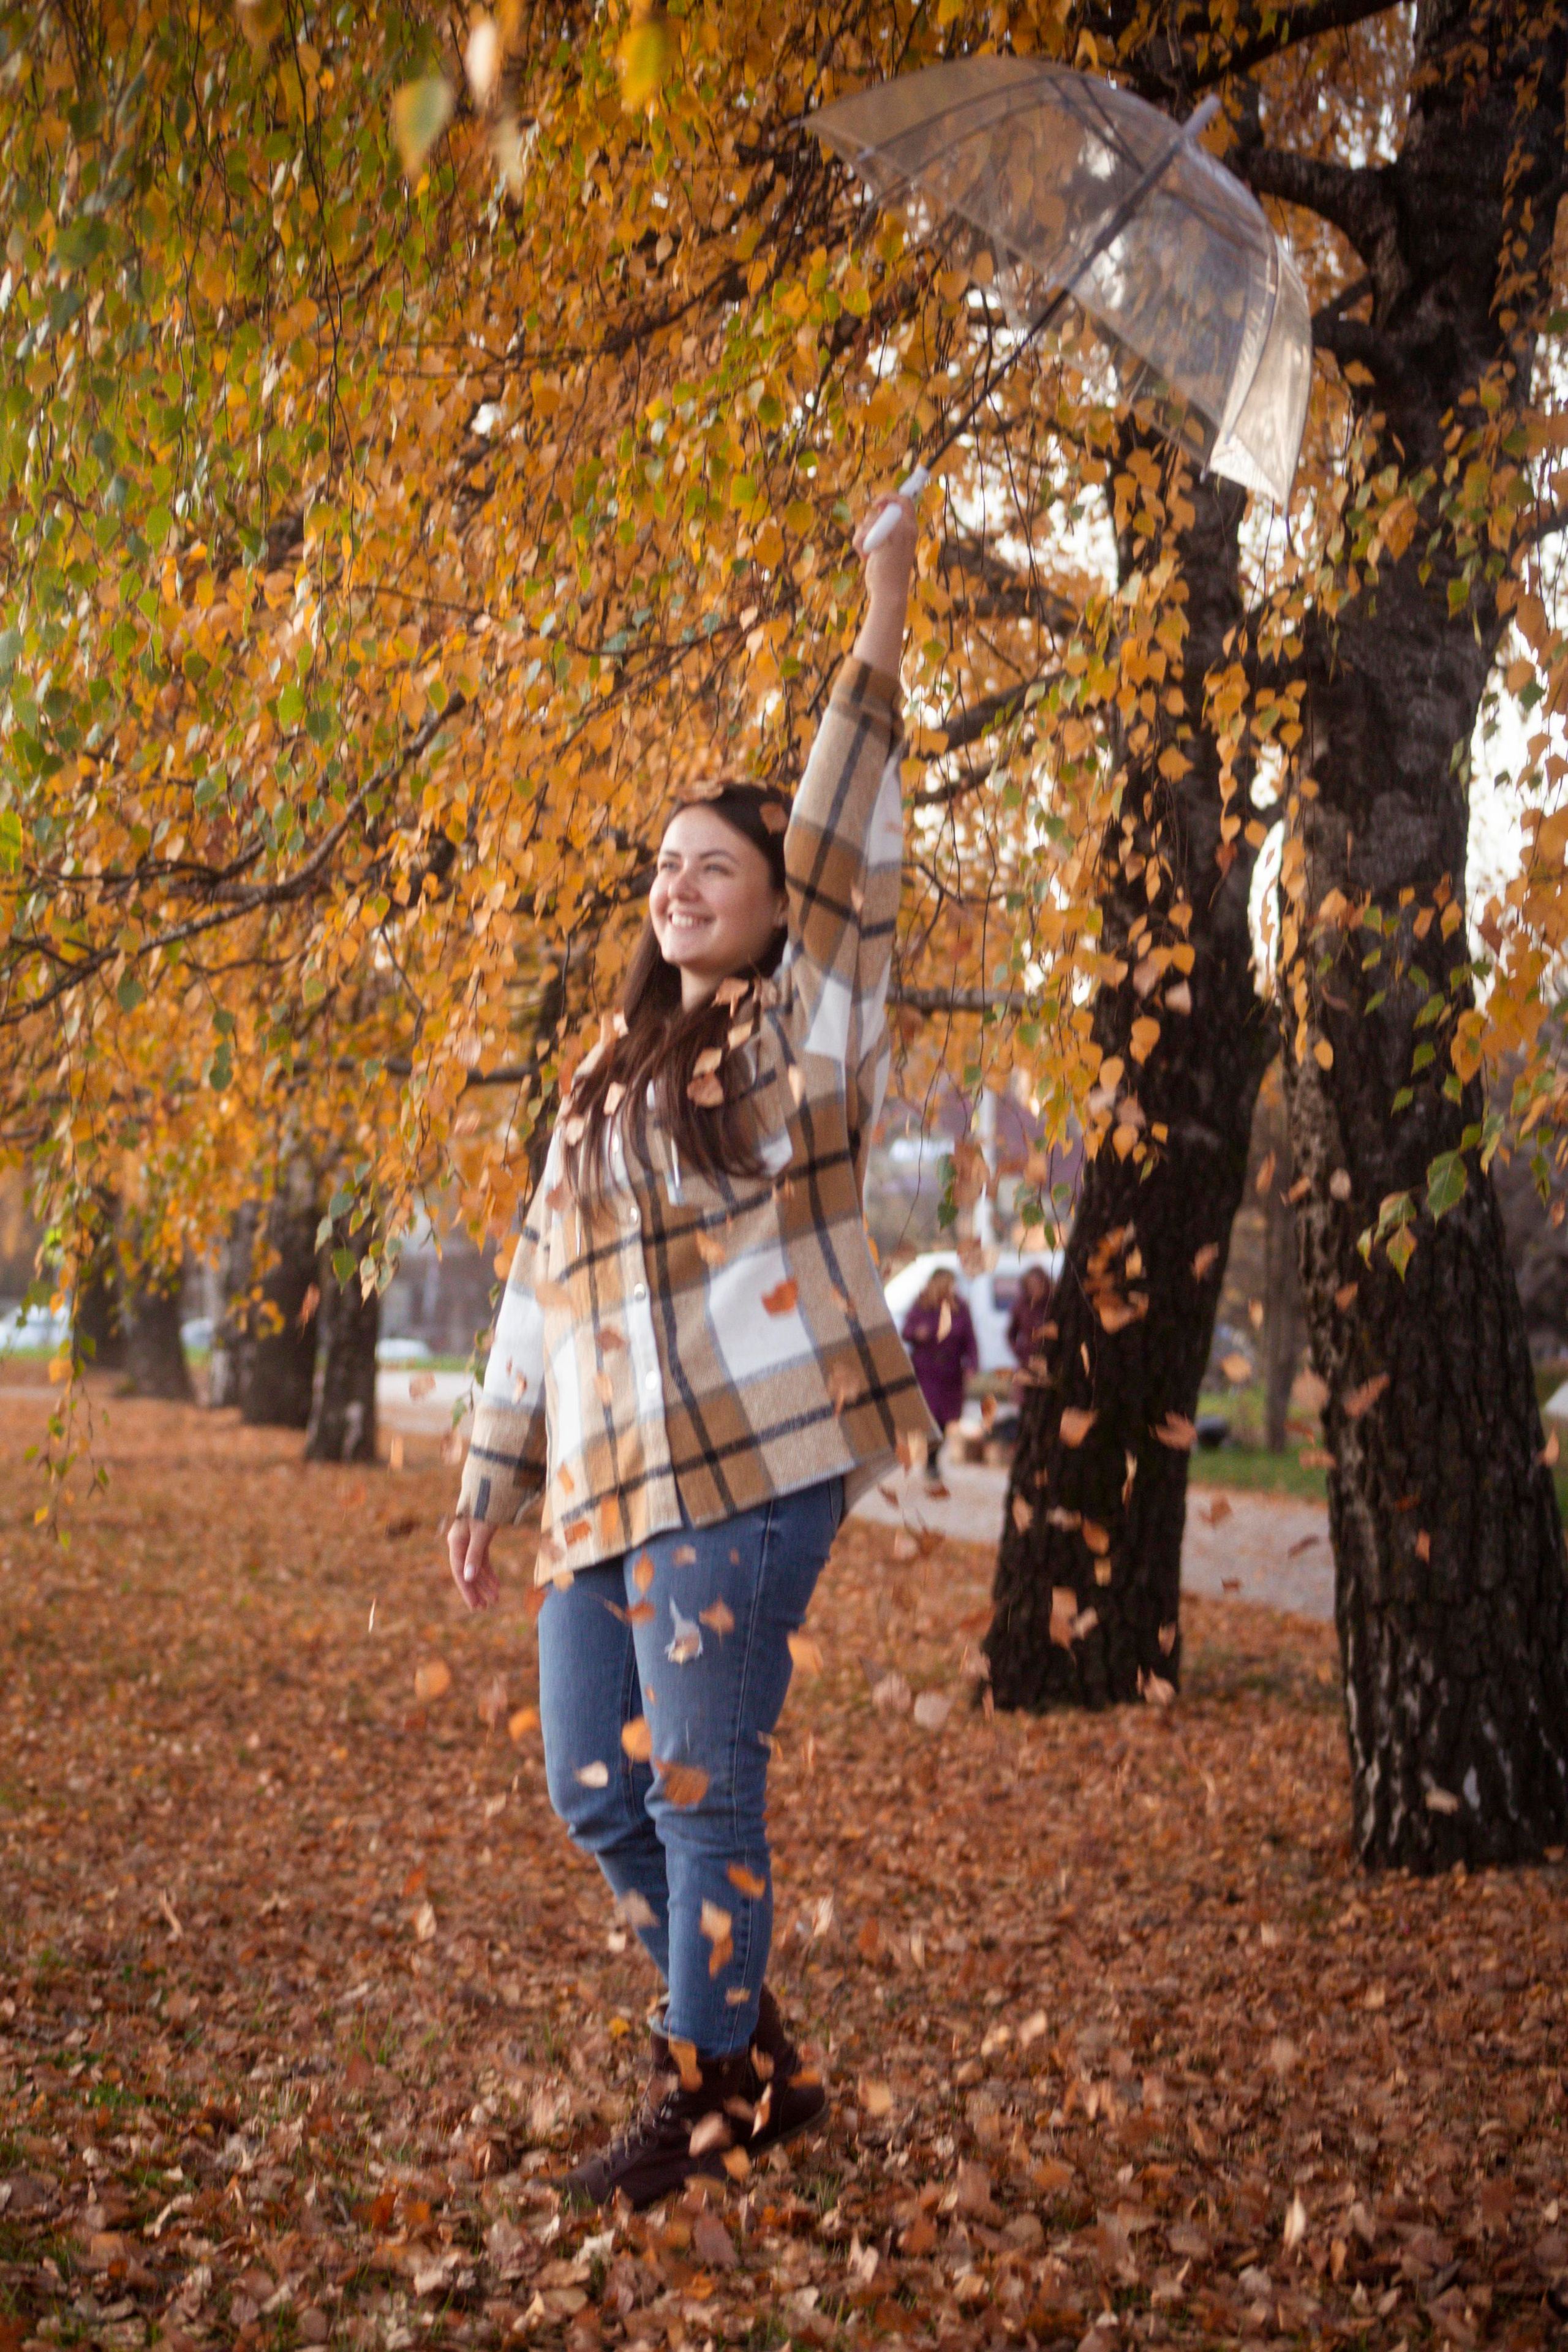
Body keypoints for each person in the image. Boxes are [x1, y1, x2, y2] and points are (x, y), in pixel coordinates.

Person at [443, 490, 938, 2209]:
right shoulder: (596, 1081)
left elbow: (844, 841)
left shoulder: (801, 1041)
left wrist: (878, 620)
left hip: (752, 1469)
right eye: (664, 868)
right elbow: (534, 1289)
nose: (677, 886)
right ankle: (756, 2060)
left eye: (711, 866)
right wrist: (489, 1472)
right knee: (599, 1787)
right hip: (608, 1482)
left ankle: (707, 2096)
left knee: (704, 1777)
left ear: (769, 901)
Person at [900, 1267, 977, 1487]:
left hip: (950, 1373)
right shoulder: (922, 1304)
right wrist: (917, 1334)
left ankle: (932, 1460)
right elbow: (906, 1330)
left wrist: (972, 1364)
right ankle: (927, 1458)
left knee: (944, 1419)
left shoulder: (961, 1308)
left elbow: (970, 1339)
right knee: (929, 1415)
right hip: (926, 1371)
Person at [1006, 1263, 1052, 1402]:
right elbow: (1011, 1334)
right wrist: (1018, 1350)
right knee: (1025, 1400)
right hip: (1027, 1361)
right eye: (1031, 1286)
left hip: (1048, 1360)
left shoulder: (1052, 1305)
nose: (1034, 1290)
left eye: (1038, 1285)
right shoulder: (1021, 1306)